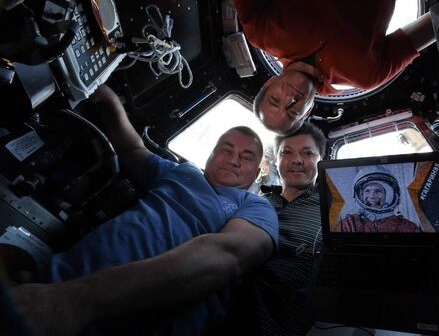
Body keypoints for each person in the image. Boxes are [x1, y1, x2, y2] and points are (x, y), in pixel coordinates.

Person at [9, 85, 278, 336]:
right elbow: (131, 148)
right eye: (226, 149)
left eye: (246, 157)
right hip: (45, 289)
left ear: (256, 173)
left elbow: (228, 255)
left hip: (95, 312)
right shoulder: (181, 172)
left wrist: (76, 300)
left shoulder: (255, 207)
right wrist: (107, 96)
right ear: (209, 156)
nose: (233, 159)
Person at [120, 0, 436, 134]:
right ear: (309, 109)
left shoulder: (263, 34)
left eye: (275, 99)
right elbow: (433, 25)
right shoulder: (367, 74)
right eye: (293, 110)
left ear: (269, 83)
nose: (289, 99)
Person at [211, 121, 326, 335]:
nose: (297, 160)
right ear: (277, 159)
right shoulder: (253, 201)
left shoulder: (331, 212)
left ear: (322, 161)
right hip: (214, 312)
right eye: (287, 153)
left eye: (307, 153)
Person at [340, 166, 421, 233]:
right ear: (359, 195)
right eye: (367, 191)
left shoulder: (408, 227)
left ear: (387, 196)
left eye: (378, 191)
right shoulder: (350, 224)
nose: (372, 196)